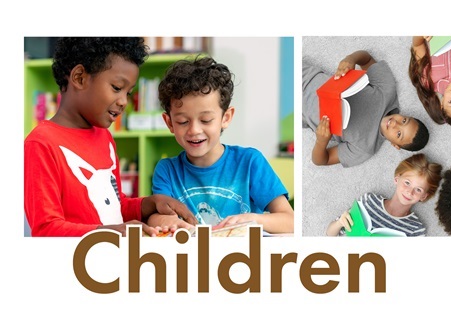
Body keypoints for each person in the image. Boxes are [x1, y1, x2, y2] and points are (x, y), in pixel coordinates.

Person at [24, 37, 196, 237]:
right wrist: (110, 234)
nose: (123, 101)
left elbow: (114, 206)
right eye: (116, 88)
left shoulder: (104, 136)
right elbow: (46, 229)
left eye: (128, 92)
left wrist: (150, 203)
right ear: (79, 78)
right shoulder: (41, 143)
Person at [148, 56, 293, 234]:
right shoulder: (167, 170)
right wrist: (166, 221)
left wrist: (252, 220)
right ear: (169, 122)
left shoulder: (249, 162)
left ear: (226, 118)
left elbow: (290, 221)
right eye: (183, 121)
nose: (194, 130)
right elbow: (154, 217)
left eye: (206, 120)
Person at [304, 50, 430, 167]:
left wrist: (321, 141)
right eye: (404, 121)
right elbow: (367, 59)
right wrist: (351, 59)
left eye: (398, 134)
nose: (395, 124)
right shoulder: (387, 92)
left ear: (395, 145)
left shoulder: (364, 149)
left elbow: (321, 160)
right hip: (306, 76)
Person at [326, 153, 441, 237]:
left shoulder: (416, 229)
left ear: (423, 197)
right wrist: (339, 223)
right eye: (407, 183)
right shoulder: (369, 200)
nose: (409, 192)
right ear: (397, 179)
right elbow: (329, 234)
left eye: (418, 190)